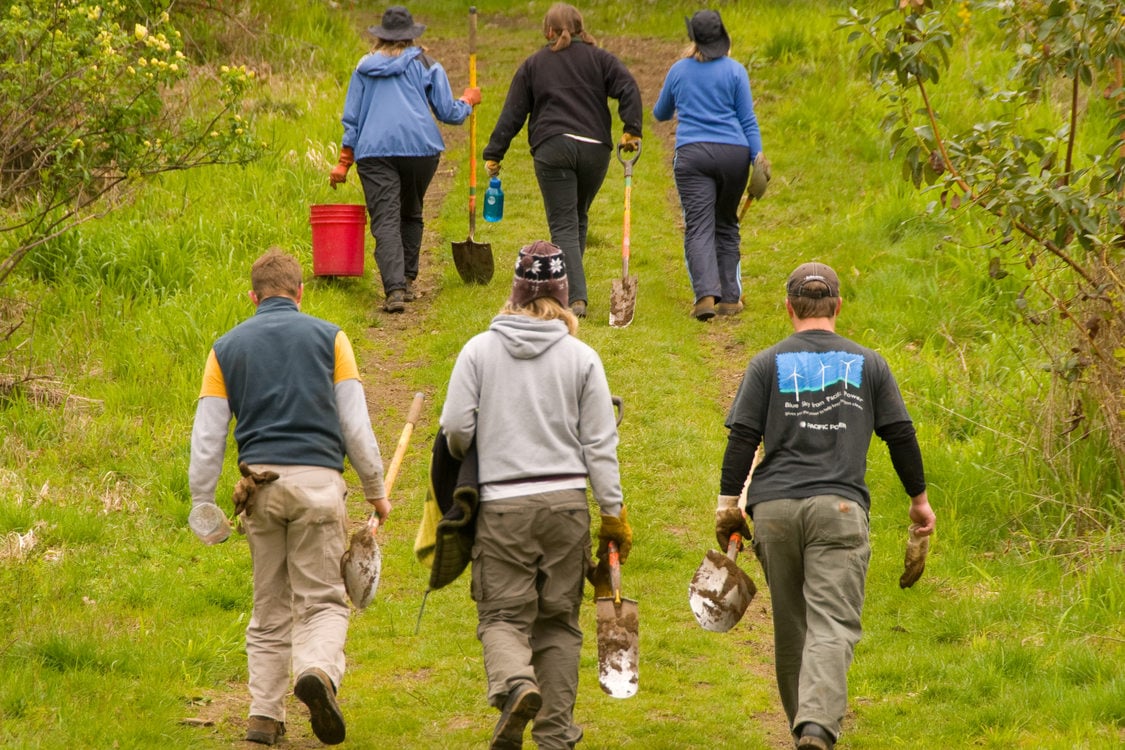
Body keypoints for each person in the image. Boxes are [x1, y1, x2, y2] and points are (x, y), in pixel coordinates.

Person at [716, 262, 936, 750]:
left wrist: (726, 504)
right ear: (837, 307)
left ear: (789, 308)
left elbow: (743, 439)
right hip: (838, 510)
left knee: (792, 627)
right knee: (831, 623)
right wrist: (918, 501)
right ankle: (815, 728)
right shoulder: (870, 363)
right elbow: (900, 434)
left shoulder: (766, 362)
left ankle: (805, 727)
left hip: (773, 511)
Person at [188, 248, 390, 747]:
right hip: (319, 487)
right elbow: (356, 428)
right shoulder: (332, 339)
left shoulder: (225, 348)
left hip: (260, 490)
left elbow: (208, 437)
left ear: (253, 297)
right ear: (301, 293)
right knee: (322, 601)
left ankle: (263, 717)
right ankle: (318, 673)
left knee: (269, 605)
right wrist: (375, 490)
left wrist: (202, 501)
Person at [439, 240, 631, 749]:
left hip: (503, 507)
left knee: (503, 615)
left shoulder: (479, 351)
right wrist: (612, 514)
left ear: (516, 292)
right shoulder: (581, 358)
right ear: (564, 295)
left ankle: (516, 686)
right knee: (559, 624)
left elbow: (455, 430)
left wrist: (482, 443)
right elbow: (600, 445)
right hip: (567, 507)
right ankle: (553, 736)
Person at [482, 3, 643, 319]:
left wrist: (494, 152)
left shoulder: (535, 64)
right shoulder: (601, 59)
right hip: (596, 150)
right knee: (577, 216)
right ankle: (571, 283)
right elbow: (629, 87)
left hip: (553, 148)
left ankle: (574, 299)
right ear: (582, 29)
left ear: (547, 32)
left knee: (565, 223)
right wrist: (631, 129)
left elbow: (513, 111)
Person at [329, 5, 482, 313]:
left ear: (379, 38)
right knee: (411, 212)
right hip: (420, 150)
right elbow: (448, 113)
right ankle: (408, 280)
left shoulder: (363, 68)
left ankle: (395, 290)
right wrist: (467, 101)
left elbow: (352, 118)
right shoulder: (426, 64)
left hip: (374, 152)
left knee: (385, 220)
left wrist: (345, 161)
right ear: (411, 36)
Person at [653, 9, 765, 321]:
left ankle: (705, 296)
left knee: (699, 226)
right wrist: (759, 158)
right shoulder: (736, 71)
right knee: (727, 223)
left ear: (694, 40)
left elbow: (661, 113)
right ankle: (730, 298)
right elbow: (748, 120)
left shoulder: (679, 70)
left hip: (693, 155)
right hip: (735, 155)